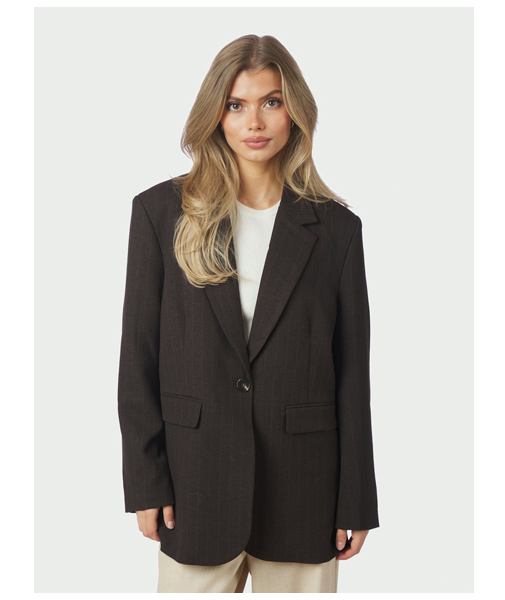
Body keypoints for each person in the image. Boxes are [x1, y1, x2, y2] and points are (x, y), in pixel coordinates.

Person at [117, 34, 380, 593]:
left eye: (271, 102)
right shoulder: (161, 214)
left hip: (306, 489)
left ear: (295, 112)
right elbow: (138, 359)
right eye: (236, 105)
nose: (253, 122)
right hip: (193, 484)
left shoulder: (337, 230)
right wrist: (146, 482)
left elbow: (352, 373)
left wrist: (356, 496)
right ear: (215, 114)